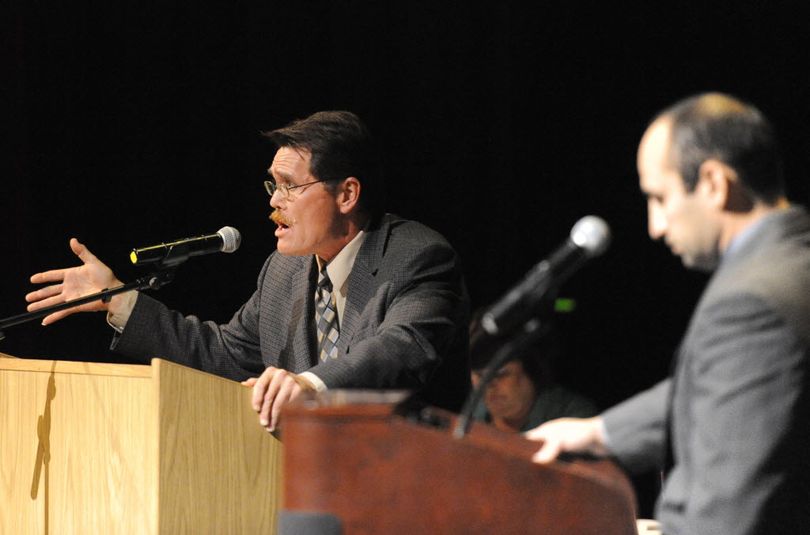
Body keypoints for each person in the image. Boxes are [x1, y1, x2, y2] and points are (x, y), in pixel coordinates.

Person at [24, 110, 471, 431]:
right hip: (306, 487)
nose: (275, 202)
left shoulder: (417, 256)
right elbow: (225, 355)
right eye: (272, 186)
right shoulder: (284, 271)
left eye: (291, 186)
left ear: (347, 194)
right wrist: (118, 299)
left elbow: (400, 349)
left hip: (409, 485)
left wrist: (308, 383)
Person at [526, 93, 810, 534]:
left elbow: (730, 519)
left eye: (659, 198)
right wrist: (598, 431)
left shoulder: (750, 303)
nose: (654, 226)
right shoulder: (793, 255)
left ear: (714, 183)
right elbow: (727, 384)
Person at [468, 314, 597, 433]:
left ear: (531, 372)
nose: (489, 385)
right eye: (480, 376)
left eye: (501, 374)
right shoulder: (470, 412)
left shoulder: (574, 420)